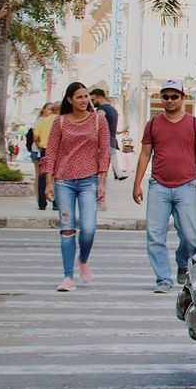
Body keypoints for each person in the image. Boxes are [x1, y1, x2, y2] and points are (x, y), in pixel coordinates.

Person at [132, 79, 196, 293]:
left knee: (190, 235)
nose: (169, 100)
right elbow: (145, 155)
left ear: (183, 98)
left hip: (186, 186)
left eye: (174, 96)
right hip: (158, 185)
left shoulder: (195, 124)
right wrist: (137, 184)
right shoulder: (153, 124)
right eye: (165, 96)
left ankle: (183, 262)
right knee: (155, 235)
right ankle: (163, 279)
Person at [43, 82, 110, 292]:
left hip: (89, 181)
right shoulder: (60, 122)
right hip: (64, 182)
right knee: (67, 229)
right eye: (79, 97)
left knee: (88, 229)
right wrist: (48, 182)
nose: (83, 101)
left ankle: (83, 259)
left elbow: (104, 152)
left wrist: (101, 182)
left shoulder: (99, 120)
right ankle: (67, 276)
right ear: (70, 100)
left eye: (85, 96)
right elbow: (51, 152)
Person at [88, 88, 128, 181]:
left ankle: (117, 173)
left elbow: (97, 123)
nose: (92, 102)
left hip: (103, 140)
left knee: (100, 167)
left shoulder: (102, 109)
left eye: (93, 100)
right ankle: (118, 172)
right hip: (112, 139)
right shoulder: (113, 109)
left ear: (99, 97)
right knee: (112, 157)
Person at [32, 103, 57, 210]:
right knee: (57, 177)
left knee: (42, 176)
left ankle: (42, 203)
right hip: (57, 150)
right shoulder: (61, 120)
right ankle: (56, 202)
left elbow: (36, 136)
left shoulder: (43, 121)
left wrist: (40, 145)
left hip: (45, 150)